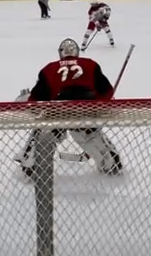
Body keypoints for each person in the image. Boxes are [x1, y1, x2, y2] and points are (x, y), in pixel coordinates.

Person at [14, 38, 122, 177]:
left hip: (57, 112)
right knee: (89, 134)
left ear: (60, 54)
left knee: (44, 133)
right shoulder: (91, 64)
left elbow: (36, 99)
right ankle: (111, 165)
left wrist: (32, 106)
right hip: (86, 110)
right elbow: (107, 92)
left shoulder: (49, 68)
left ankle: (30, 167)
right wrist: (99, 108)